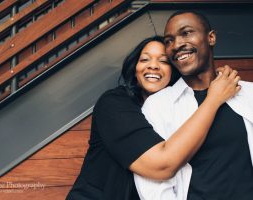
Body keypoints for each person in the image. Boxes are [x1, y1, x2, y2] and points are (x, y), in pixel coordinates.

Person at [66, 36, 239, 200]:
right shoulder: (114, 104)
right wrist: (214, 99)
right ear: (135, 70)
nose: (153, 66)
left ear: (174, 72)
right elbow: (161, 166)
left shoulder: (178, 110)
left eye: (163, 61)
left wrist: (214, 81)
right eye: (145, 59)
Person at [134, 11, 253, 200]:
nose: (177, 45)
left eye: (186, 33)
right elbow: (154, 189)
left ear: (211, 37)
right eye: (169, 40)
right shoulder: (158, 105)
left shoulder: (249, 93)